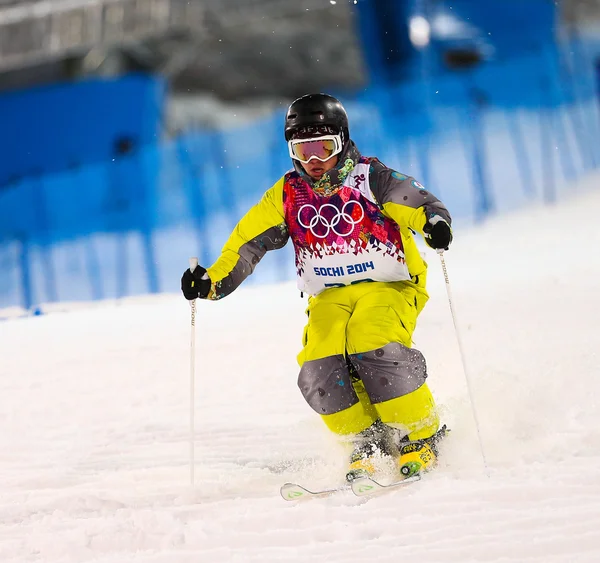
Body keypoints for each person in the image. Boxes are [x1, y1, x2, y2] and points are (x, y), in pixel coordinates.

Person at [181, 93, 453, 481]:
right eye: (302, 150)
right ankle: (366, 439)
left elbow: (412, 199)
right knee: (319, 366)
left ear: (342, 142)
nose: (314, 161)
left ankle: (422, 430)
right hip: (329, 293)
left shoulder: (370, 177)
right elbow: (245, 243)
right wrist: (212, 282)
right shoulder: (288, 194)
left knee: (370, 340)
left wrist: (433, 221)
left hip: (389, 285)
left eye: (324, 148)